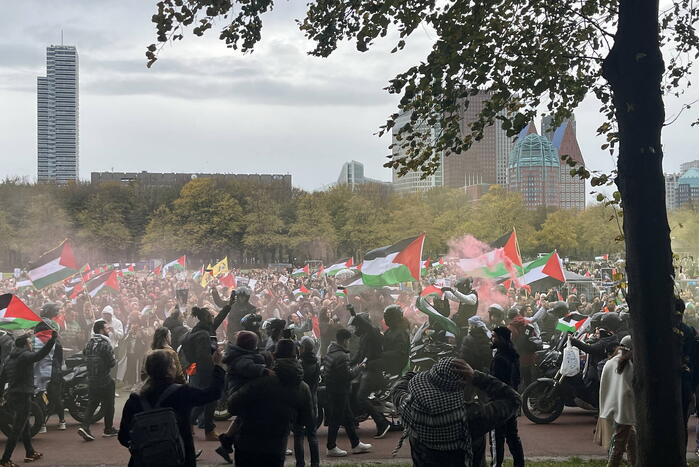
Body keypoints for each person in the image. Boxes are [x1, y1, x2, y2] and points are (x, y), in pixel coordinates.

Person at [391, 357, 521, 467]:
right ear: (463, 385)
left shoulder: (410, 408)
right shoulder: (473, 417)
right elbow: (514, 399)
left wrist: (424, 375)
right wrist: (476, 377)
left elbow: (398, 387)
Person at [118, 348, 225, 467]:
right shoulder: (181, 393)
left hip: (143, 462)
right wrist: (218, 366)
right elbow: (212, 393)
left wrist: (147, 446)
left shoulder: (135, 399)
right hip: (179, 459)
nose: (175, 367)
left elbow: (123, 437)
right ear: (168, 370)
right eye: (173, 364)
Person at [226, 339, 314, 467]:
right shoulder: (303, 387)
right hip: (276, 448)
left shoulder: (260, 380)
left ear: (274, 356)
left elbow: (232, 405)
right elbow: (305, 420)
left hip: (247, 445)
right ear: (296, 357)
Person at [0, 330, 57, 467]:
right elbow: (40, 355)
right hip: (23, 395)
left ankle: (30, 452)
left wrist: (0, 395)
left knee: (24, 425)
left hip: (13, 395)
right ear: (25, 345)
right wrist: (52, 339)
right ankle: (5, 460)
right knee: (17, 428)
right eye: (30, 342)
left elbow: (2, 379)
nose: (31, 344)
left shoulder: (9, 358)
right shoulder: (24, 356)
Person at [182, 293, 232, 441]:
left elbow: (219, 319)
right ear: (206, 318)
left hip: (196, 370)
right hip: (205, 371)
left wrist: (228, 306)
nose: (213, 318)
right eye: (211, 316)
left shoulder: (201, 329)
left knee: (202, 400)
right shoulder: (203, 334)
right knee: (210, 399)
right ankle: (208, 430)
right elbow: (203, 357)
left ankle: (189, 424)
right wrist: (215, 369)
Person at [216, 330, 271, 463]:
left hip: (240, 392)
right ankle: (236, 445)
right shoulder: (242, 358)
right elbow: (247, 367)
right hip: (242, 393)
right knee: (249, 421)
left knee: (241, 418)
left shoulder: (238, 354)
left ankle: (226, 442)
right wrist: (263, 369)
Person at [323, 328, 372, 457]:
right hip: (339, 391)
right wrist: (360, 367)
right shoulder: (342, 356)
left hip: (333, 390)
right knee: (336, 419)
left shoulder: (331, 351)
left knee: (349, 418)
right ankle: (331, 446)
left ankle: (356, 444)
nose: (349, 343)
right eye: (348, 340)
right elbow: (348, 375)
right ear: (345, 340)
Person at [349, 310, 391, 438]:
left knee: (361, 397)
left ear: (362, 324)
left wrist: (353, 312)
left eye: (357, 325)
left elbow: (367, 326)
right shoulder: (364, 337)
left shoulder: (373, 332)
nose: (355, 329)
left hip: (374, 369)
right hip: (368, 368)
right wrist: (347, 362)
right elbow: (359, 355)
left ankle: (381, 423)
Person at [490, 326, 525, 467]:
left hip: (499, 403)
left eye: (494, 337)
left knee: (496, 437)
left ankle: (497, 465)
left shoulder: (499, 358)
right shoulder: (513, 355)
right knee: (512, 436)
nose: (492, 339)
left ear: (501, 339)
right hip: (511, 400)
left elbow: (495, 382)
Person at [598, 335, 635, 467]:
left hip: (612, 407)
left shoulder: (611, 361)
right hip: (625, 409)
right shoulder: (629, 365)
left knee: (630, 439)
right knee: (619, 446)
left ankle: (634, 463)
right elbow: (630, 389)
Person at [78, 319, 117, 441]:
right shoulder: (106, 344)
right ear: (101, 330)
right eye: (106, 328)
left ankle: (85, 426)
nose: (108, 330)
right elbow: (112, 363)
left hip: (91, 379)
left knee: (92, 403)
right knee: (109, 404)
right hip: (105, 379)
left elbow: (84, 354)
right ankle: (108, 429)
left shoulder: (89, 343)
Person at [34, 303, 66, 432]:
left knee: (42, 396)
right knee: (54, 396)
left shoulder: (35, 340)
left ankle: (44, 424)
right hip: (52, 371)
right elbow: (60, 358)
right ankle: (60, 421)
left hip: (43, 372)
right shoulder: (54, 341)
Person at [293, 336, 321, 467]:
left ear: (303, 348)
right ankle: (315, 463)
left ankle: (300, 463)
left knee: (298, 435)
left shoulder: (299, 364)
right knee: (312, 435)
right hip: (313, 401)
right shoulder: (316, 362)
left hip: (299, 402)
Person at [381, 305, 410, 376]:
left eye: (388, 317)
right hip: (388, 363)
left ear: (395, 318)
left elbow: (399, 353)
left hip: (396, 367)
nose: (386, 319)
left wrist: (381, 354)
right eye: (385, 317)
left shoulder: (401, 333)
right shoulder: (390, 330)